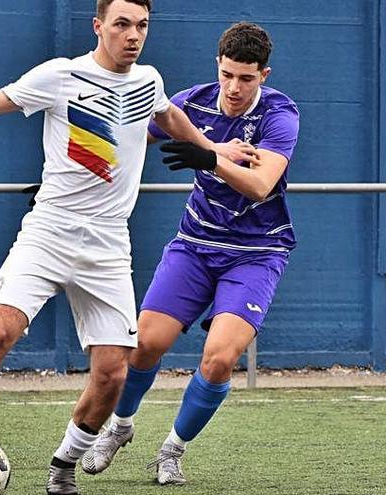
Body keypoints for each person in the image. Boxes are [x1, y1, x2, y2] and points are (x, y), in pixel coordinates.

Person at [0, 2, 256, 494]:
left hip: (107, 245)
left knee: (112, 374)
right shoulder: (62, 75)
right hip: (50, 231)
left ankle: (62, 468)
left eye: (142, 25)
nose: (133, 35)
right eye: (122, 24)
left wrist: (215, 151)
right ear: (99, 26)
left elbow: (171, 118)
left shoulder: (148, 80)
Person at [80, 22, 300, 486]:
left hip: (255, 253)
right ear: (217, 68)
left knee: (219, 359)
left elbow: (262, 186)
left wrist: (210, 157)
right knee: (143, 344)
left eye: (246, 78)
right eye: (227, 75)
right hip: (195, 245)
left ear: (264, 74)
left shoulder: (279, 115)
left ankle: (171, 450)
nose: (234, 88)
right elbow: (128, 138)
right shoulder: (192, 102)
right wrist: (70, 179)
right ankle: (119, 429)